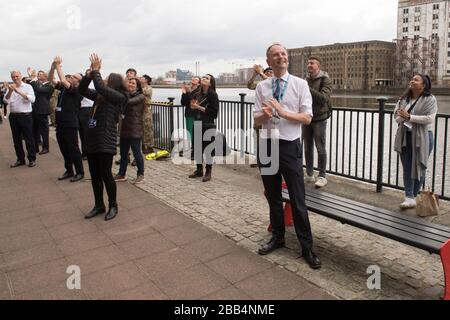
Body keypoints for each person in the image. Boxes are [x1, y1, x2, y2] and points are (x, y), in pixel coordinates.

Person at [254, 43, 321, 270]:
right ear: (269, 61)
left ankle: (307, 247)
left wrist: (283, 113)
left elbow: (307, 118)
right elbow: (255, 121)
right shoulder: (262, 87)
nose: (280, 57)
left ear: (287, 59)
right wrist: (263, 116)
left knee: (297, 198)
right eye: (275, 55)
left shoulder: (300, 84)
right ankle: (278, 237)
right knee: (272, 196)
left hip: (289, 147)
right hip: (267, 146)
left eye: (283, 53)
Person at [78, 54, 128, 221]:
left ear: (112, 83)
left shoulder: (119, 96)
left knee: (106, 173)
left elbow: (101, 87)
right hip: (92, 137)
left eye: (106, 79)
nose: (103, 81)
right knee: (94, 174)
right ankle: (99, 204)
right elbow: (82, 90)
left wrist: (96, 71)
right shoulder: (101, 96)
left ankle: (113, 205)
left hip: (105, 138)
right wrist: (88, 76)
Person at [394, 74, 437, 210]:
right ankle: (409, 197)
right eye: (412, 79)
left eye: (416, 80)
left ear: (423, 85)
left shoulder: (430, 99)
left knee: (420, 166)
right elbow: (396, 115)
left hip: (424, 136)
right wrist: (402, 117)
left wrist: (409, 117)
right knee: (407, 167)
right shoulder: (403, 98)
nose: (412, 81)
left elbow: (429, 118)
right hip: (405, 135)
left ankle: (414, 195)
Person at [48, 57, 84, 182]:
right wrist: (52, 67)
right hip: (61, 123)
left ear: (79, 81)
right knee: (64, 149)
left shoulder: (78, 90)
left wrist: (58, 65)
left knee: (73, 149)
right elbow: (51, 80)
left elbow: (63, 79)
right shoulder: (64, 88)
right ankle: (69, 170)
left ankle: (80, 172)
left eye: (75, 77)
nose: (72, 78)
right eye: (72, 76)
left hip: (70, 124)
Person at [303, 56, 333, 188]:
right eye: (308, 63)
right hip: (306, 117)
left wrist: (306, 88)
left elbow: (323, 98)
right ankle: (309, 174)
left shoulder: (325, 80)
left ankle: (322, 176)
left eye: (312, 63)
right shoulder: (306, 79)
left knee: (320, 147)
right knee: (307, 146)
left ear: (318, 66)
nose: (309, 65)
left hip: (319, 118)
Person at [189, 74, 219, 182]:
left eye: (207, 78)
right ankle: (199, 170)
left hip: (208, 124)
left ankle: (208, 172)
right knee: (197, 148)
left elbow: (214, 113)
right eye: (203, 77)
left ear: (210, 83)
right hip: (197, 122)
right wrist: (193, 106)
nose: (203, 78)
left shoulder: (213, 95)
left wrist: (198, 107)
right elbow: (193, 106)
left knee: (208, 149)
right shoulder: (198, 94)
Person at [115, 77, 145, 184]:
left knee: (137, 153)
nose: (130, 84)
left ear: (137, 86)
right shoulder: (126, 95)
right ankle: (121, 174)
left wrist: (122, 93)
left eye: (133, 83)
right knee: (123, 154)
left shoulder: (140, 96)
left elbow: (129, 102)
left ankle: (140, 174)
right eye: (129, 83)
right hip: (124, 128)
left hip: (134, 129)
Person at [3, 71, 36, 168]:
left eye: (17, 76)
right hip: (13, 116)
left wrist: (18, 91)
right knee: (16, 139)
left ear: (21, 76)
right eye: (13, 77)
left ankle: (31, 159)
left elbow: (32, 99)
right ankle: (20, 159)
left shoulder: (27, 87)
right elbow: (5, 100)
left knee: (29, 137)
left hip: (25, 115)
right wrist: (10, 91)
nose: (15, 78)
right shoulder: (10, 87)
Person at [248, 66, 273, 168]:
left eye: (271, 72)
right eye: (267, 72)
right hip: (260, 115)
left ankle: (270, 159)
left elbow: (271, 82)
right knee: (258, 137)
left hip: (273, 116)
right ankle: (258, 157)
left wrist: (261, 73)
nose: (269, 74)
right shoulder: (261, 85)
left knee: (271, 139)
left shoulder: (276, 84)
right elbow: (249, 85)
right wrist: (255, 74)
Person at [27, 68, 54, 155]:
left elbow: (39, 89)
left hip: (42, 111)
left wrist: (33, 77)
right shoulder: (37, 84)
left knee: (44, 131)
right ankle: (35, 147)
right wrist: (32, 77)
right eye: (38, 74)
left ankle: (46, 147)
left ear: (46, 77)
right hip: (34, 110)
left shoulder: (49, 86)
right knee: (34, 130)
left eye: (40, 74)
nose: (39, 75)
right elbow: (31, 87)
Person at [181, 76, 201, 158]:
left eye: (195, 79)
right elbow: (183, 102)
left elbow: (194, 101)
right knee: (189, 132)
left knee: (196, 133)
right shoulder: (188, 89)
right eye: (192, 78)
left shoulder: (199, 91)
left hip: (196, 114)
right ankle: (191, 150)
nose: (193, 80)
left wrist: (188, 92)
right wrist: (184, 93)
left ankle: (195, 151)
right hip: (189, 113)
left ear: (198, 83)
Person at [140, 74, 155, 155]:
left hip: (146, 110)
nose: (140, 79)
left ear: (146, 80)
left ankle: (150, 147)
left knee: (148, 128)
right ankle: (143, 145)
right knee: (141, 128)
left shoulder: (149, 88)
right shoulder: (141, 87)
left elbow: (145, 92)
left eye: (142, 78)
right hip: (140, 110)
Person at [79, 92, 95, 160]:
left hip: (90, 109)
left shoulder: (93, 83)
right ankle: (85, 152)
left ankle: (89, 152)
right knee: (82, 132)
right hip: (82, 110)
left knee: (89, 132)